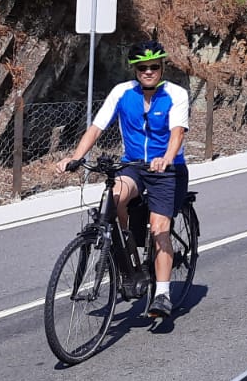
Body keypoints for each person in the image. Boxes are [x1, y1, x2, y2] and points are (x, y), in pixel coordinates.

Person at [59, 41, 190, 318]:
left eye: (154, 67)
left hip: (167, 170)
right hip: (133, 166)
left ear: (162, 67)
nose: (149, 72)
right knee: (112, 196)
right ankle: (126, 255)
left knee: (159, 228)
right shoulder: (122, 92)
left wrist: (166, 157)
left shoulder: (175, 94)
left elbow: (177, 133)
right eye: (143, 67)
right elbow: (96, 127)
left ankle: (163, 294)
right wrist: (75, 157)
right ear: (135, 69)